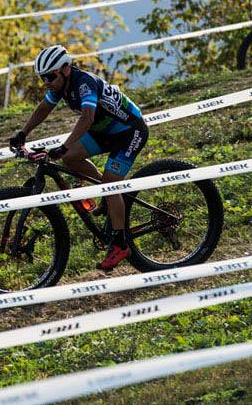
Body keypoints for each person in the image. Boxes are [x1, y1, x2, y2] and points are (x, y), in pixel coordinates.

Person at [9, 45, 148, 272]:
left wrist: (64, 145)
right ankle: (105, 197)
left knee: (111, 182)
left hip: (130, 131)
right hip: (104, 132)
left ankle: (121, 245)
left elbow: (87, 116)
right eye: (42, 78)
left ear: (65, 69)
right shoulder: (60, 85)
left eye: (50, 76)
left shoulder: (84, 83)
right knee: (70, 159)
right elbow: (44, 108)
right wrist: (23, 132)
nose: (46, 82)